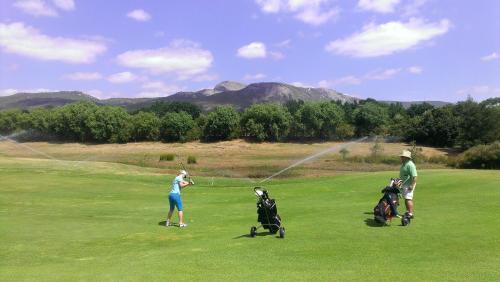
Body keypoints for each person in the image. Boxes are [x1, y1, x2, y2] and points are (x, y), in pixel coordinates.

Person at [399, 150, 418, 218]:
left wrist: (412, 185)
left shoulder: (410, 165)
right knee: (406, 198)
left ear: (406, 157)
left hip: (409, 185)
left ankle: (410, 213)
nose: (401, 157)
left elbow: (415, 177)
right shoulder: (404, 164)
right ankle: (407, 211)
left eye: (402, 156)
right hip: (404, 184)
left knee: (408, 198)